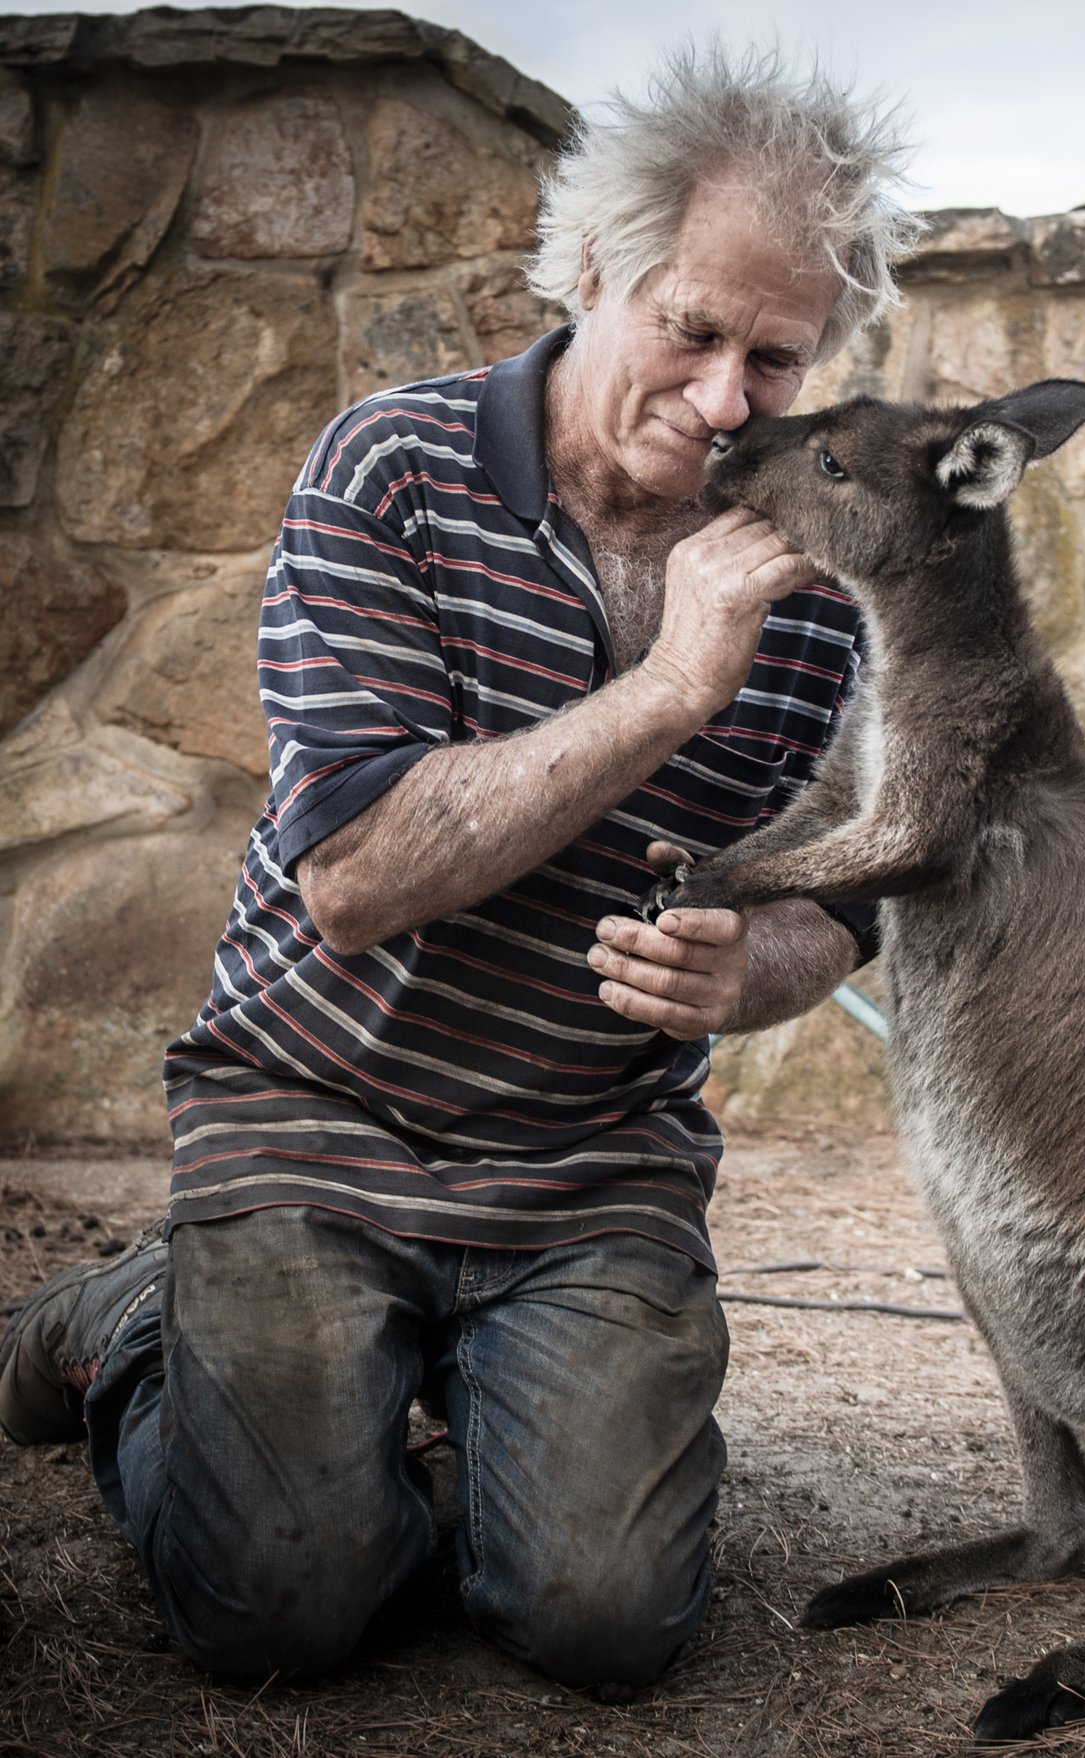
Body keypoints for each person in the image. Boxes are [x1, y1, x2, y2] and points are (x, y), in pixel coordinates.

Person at [0, 46, 917, 1692]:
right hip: (317, 1103)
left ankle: (427, 1383)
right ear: (589, 269)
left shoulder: (825, 578)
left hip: (588, 1157)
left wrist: (749, 972)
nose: (724, 402)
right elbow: (351, 875)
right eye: (692, 330)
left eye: (773, 360)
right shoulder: (391, 471)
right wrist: (671, 687)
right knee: (284, 1609)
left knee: (603, 1621)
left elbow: (842, 897)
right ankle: (141, 1329)